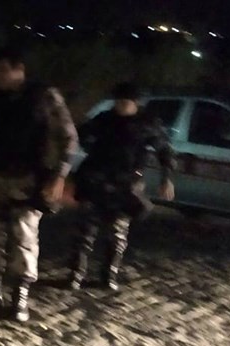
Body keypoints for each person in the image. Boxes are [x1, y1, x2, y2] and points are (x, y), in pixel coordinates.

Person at [0, 45, 78, 322]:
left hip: (29, 178)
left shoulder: (44, 96)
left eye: (2, 70)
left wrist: (59, 175)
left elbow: (68, 137)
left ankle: (19, 299)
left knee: (24, 238)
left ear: (19, 69)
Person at [69, 81, 175, 291]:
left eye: (125, 102)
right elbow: (81, 134)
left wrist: (166, 178)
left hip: (125, 184)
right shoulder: (104, 119)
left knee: (117, 232)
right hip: (97, 180)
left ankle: (109, 276)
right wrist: (91, 150)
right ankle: (75, 275)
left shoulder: (148, 123)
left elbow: (165, 151)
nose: (120, 106)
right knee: (84, 230)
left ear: (136, 103)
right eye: (118, 102)